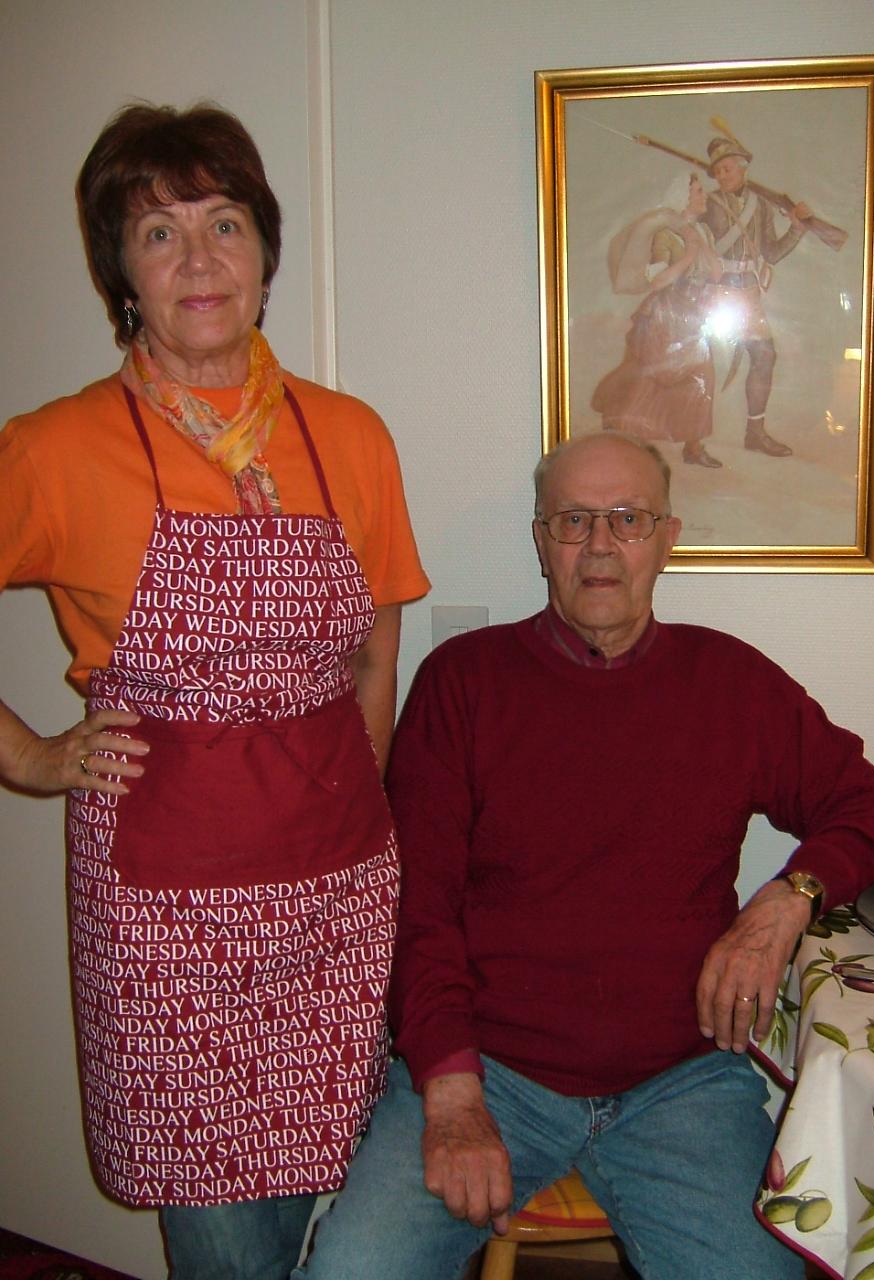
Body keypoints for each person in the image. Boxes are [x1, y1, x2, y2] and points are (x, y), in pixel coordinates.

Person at [297, 429, 874, 1280]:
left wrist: (784, 901)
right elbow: (417, 908)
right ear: (541, 540)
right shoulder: (463, 683)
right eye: (573, 520)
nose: (599, 545)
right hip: (491, 1071)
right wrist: (451, 1091)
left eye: (628, 519)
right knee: (351, 1271)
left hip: (682, 1080)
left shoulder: (732, 684)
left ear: (668, 537)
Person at [0, 103, 429, 1280]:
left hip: (337, 886)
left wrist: (365, 802)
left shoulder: (350, 435)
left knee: (336, 1197)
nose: (199, 259)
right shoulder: (54, 448)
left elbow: (376, 648)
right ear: (121, 273)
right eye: (159, 232)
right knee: (226, 1242)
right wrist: (32, 755)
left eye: (224, 223)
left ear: (264, 253)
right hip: (166, 910)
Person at [592, 172, 723, 468]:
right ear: (683, 197)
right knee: (648, 378)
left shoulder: (703, 232)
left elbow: (715, 273)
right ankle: (619, 433)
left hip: (694, 318)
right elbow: (658, 280)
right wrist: (689, 253)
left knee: (702, 377)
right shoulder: (666, 235)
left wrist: (701, 245)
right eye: (698, 191)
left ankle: (693, 447)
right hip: (665, 315)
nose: (704, 196)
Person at [700, 134, 813, 459]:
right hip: (715, 293)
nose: (722, 175)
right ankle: (691, 439)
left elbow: (771, 253)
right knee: (699, 360)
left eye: (727, 168)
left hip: (748, 294)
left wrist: (797, 228)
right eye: (717, 171)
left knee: (764, 356)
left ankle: (755, 432)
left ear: (742, 168)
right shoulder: (708, 204)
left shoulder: (761, 206)